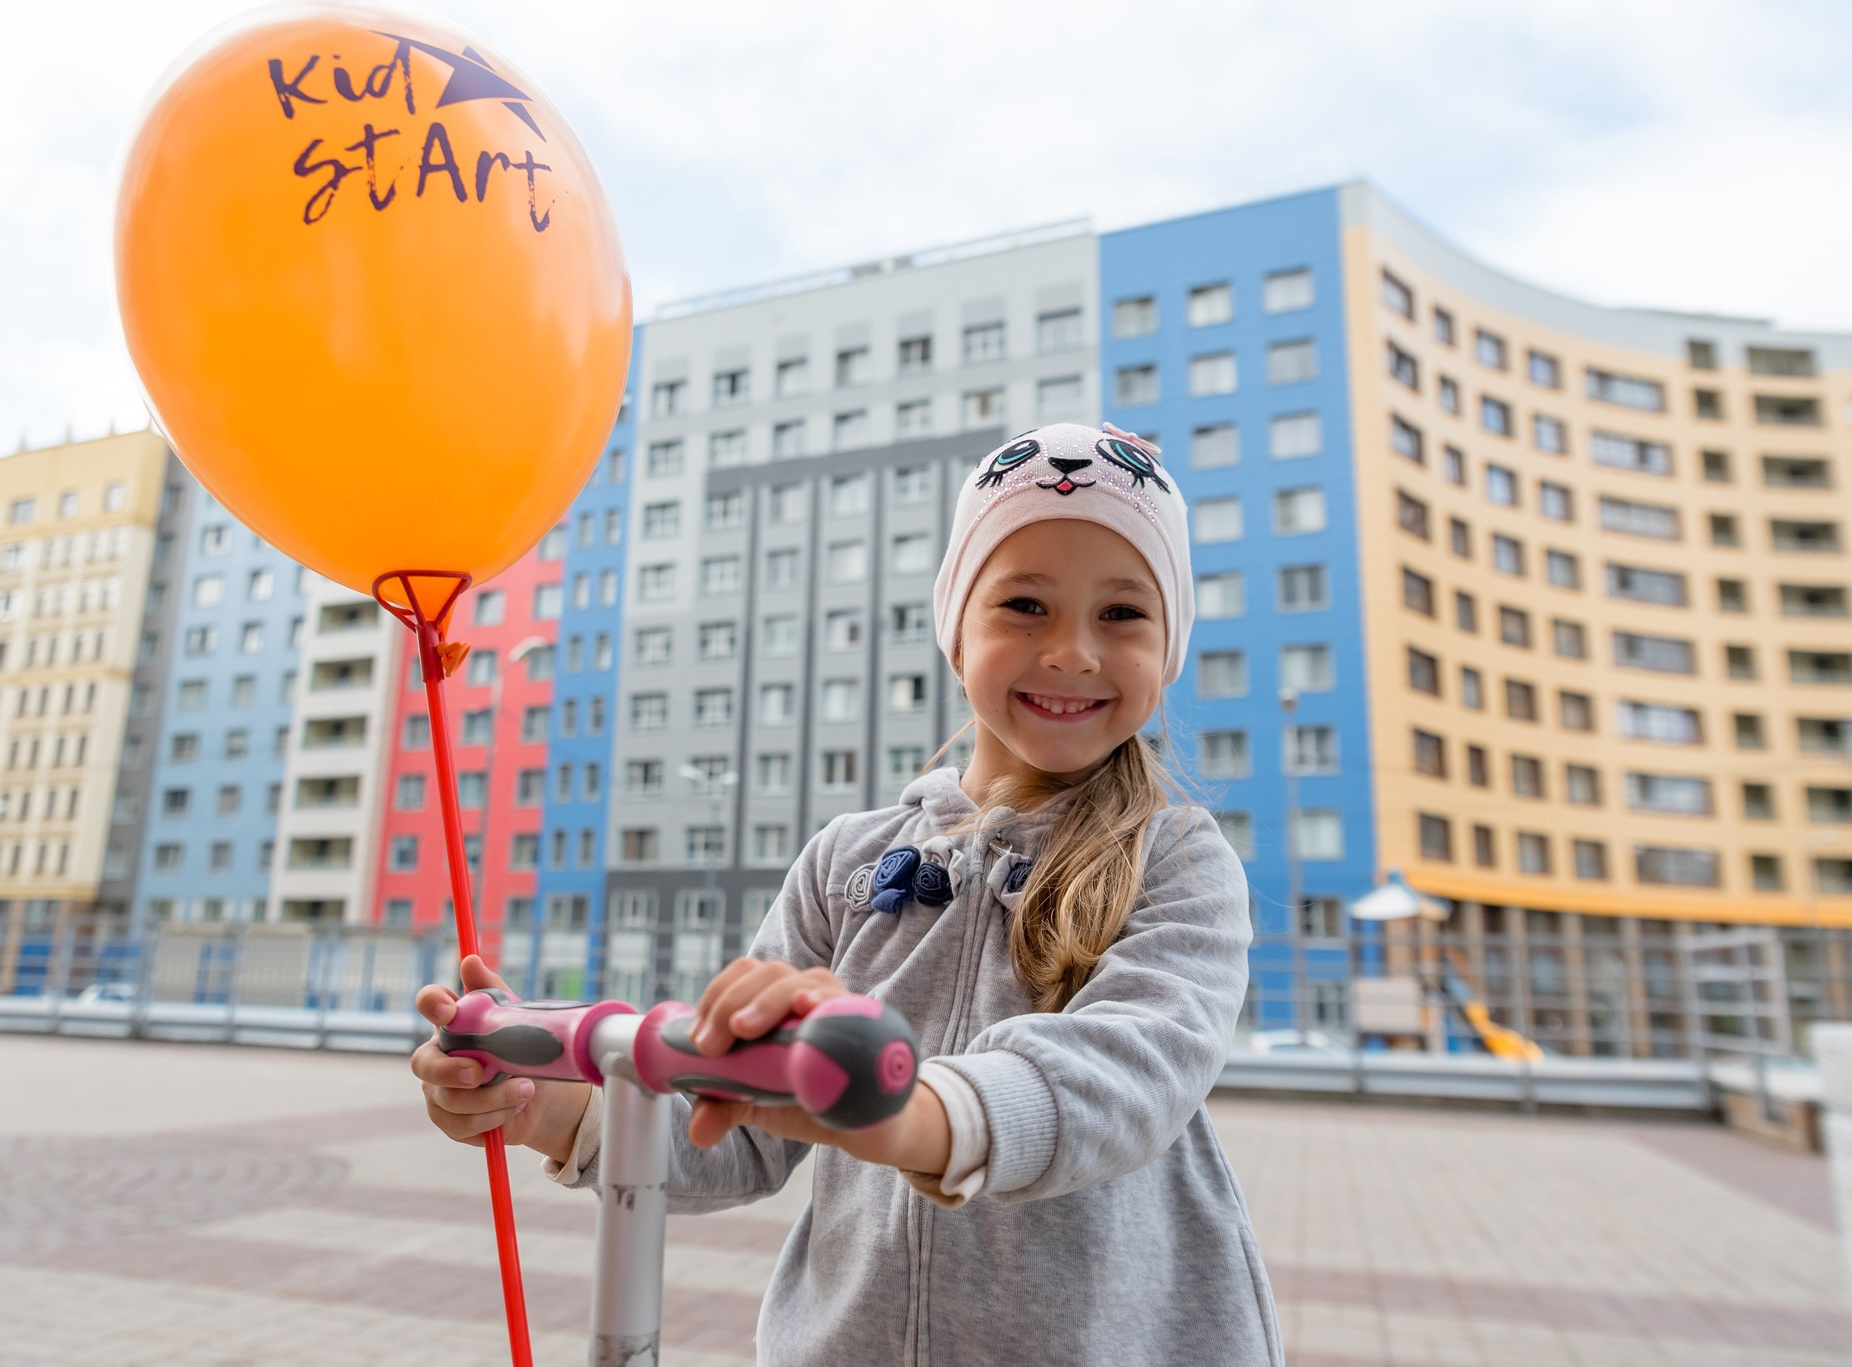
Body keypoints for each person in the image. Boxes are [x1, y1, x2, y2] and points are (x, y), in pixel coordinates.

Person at [413, 421, 1281, 1364]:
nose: (1072, 650)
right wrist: (555, 1108)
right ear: (957, 629)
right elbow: (734, 1123)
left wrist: (907, 1110)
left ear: (1170, 646)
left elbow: (1124, 1077)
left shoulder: (1180, 860)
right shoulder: (845, 862)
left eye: (1122, 615)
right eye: (1024, 604)